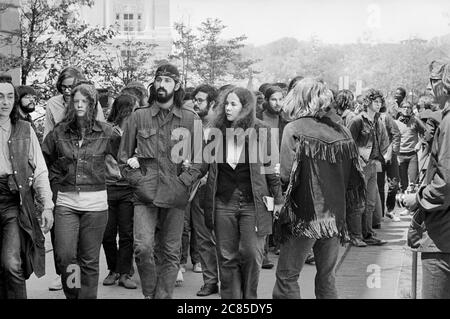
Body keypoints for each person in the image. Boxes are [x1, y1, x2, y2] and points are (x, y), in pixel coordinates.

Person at [272, 78, 365, 299]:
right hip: (335, 216)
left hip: (304, 215)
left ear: (299, 99)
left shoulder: (293, 128)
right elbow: (354, 179)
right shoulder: (342, 132)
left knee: (287, 277)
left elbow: (285, 174)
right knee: (327, 276)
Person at [118, 63, 204, 299]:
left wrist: (184, 182)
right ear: (153, 84)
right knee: (143, 247)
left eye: (167, 81)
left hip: (175, 195)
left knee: (170, 251)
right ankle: (150, 294)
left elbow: (200, 159)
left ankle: (163, 296)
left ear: (176, 86)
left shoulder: (190, 118)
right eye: (158, 80)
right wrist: (137, 180)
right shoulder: (139, 116)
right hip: (145, 195)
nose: (162, 85)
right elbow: (123, 157)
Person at [203, 87, 283, 299]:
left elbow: (271, 169)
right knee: (226, 257)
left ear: (246, 107)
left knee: (251, 255)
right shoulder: (216, 132)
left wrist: (279, 201)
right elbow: (201, 165)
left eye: (233, 104)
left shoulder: (262, 131)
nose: (228, 108)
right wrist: (183, 181)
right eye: (226, 104)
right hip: (223, 201)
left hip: (253, 202)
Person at [42, 82, 116, 299]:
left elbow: (124, 157)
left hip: (96, 205)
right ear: (70, 105)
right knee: (65, 257)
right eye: (76, 101)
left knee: (89, 260)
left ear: (93, 104)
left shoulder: (107, 132)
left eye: (84, 101)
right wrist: (56, 183)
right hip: (66, 202)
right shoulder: (59, 132)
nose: (80, 105)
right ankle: (74, 296)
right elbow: (44, 162)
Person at [0, 74, 54, 299]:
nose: (5, 101)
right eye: (0, 96)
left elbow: (40, 168)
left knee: (11, 262)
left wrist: (48, 205)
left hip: (14, 200)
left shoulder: (24, 129)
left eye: (10, 96)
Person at [404, 60, 450, 299]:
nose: (430, 87)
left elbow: (445, 185)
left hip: (443, 237)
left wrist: (418, 198)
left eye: (434, 81)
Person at [184, 83, 220, 297]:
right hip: (196, 188)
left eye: (200, 100)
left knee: (223, 238)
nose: (195, 104)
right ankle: (210, 281)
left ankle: (229, 281)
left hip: (220, 190)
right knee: (203, 237)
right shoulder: (191, 125)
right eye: (195, 100)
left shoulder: (223, 127)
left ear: (213, 103)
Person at [101, 94, 138, 289]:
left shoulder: (137, 131)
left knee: (126, 233)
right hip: (108, 187)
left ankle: (124, 273)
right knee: (107, 233)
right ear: (127, 110)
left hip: (128, 188)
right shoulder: (108, 131)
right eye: (135, 108)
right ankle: (112, 269)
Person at [347, 89, 389, 246]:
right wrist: (356, 162)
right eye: (375, 102)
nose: (378, 105)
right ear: (368, 103)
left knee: (370, 202)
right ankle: (355, 235)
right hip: (360, 166)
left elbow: (382, 141)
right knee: (358, 203)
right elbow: (348, 144)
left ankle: (367, 234)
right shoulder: (357, 121)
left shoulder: (378, 120)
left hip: (372, 164)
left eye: (380, 102)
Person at [257, 85, 287, 269]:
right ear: (267, 100)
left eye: (280, 99)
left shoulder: (286, 121)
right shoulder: (258, 119)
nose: (277, 103)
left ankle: (280, 244)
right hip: (261, 169)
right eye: (274, 99)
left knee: (279, 208)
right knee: (264, 210)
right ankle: (263, 252)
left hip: (281, 169)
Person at [378, 98, 401, 221]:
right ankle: (380, 213)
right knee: (380, 186)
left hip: (389, 156)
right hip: (377, 157)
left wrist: (393, 153)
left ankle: (390, 210)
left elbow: (396, 134)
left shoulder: (386, 117)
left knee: (394, 184)